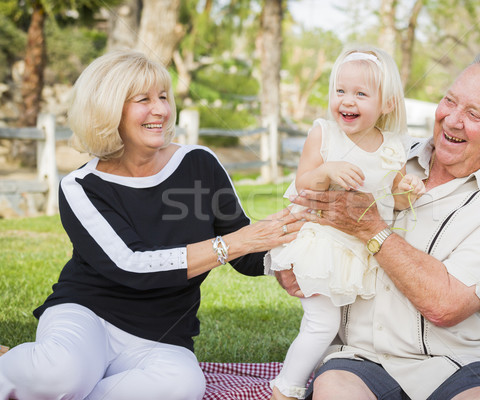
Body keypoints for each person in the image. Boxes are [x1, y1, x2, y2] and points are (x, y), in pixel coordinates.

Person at [0, 50, 302, 400]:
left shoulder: (199, 163)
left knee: (183, 387)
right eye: (143, 100)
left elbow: (244, 250)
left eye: (163, 97)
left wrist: (278, 261)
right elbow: (132, 265)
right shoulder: (81, 187)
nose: (160, 109)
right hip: (88, 315)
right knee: (60, 376)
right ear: (108, 109)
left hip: (163, 334)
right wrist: (234, 244)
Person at [276, 49, 480, 400]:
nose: (452, 120)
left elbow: (446, 306)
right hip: (362, 357)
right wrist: (286, 260)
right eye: (450, 101)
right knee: (333, 390)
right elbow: (302, 204)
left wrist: (371, 228)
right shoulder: (388, 152)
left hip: (461, 364)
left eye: (474, 114)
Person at [265, 45, 425, 400]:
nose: (347, 101)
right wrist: (326, 170)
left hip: (358, 250)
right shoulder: (325, 133)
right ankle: (285, 388)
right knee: (323, 322)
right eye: (340, 91)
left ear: (387, 104)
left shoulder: (393, 146)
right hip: (320, 243)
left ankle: (324, 380)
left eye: (360, 94)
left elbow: (394, 198)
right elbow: (303, 183)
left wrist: (407, 188)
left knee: (340, 329)